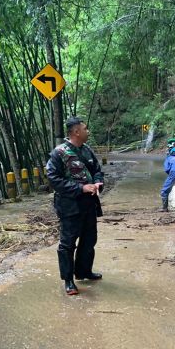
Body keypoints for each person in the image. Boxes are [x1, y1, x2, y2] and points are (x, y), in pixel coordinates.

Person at [46, 117, 104, 295]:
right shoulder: (59, 153)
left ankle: (84, 271)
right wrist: (81, 187)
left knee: (89, 240)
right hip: (70, 206)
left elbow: (97, 170)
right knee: (68, 243)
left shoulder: (87, 150)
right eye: (85, 129)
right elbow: (53, 179)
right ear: (76, 132)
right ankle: (68, 279)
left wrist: (98, 183)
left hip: (89, 204)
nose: (88, 131)